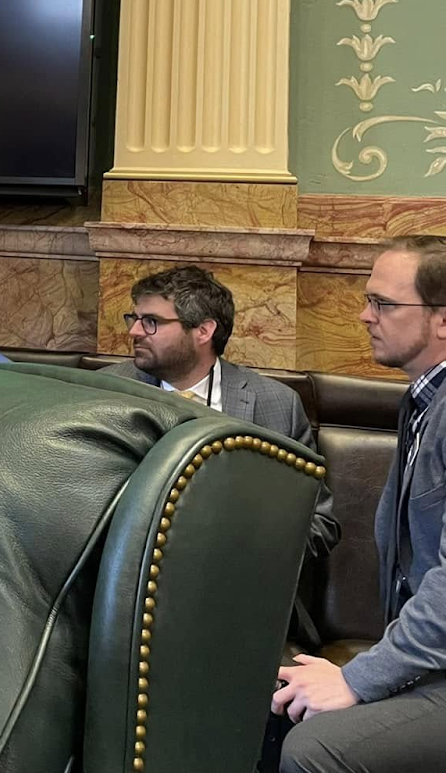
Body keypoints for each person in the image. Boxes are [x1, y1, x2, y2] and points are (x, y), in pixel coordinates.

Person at [276, 236, 446, 773]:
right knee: (276, 703)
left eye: (383, 304)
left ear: (442, 320)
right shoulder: (423, 401)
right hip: (429, 662)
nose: (363, 316)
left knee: (313, 751)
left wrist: (357, 678)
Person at [106, 265, 339, 562]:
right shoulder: (108, 392)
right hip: (128, 583)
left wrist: (241, 547)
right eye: (135, 319)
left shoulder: (277, 405)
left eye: (151, 321)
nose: (134, 331)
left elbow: (320, 524)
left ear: (203, 330)